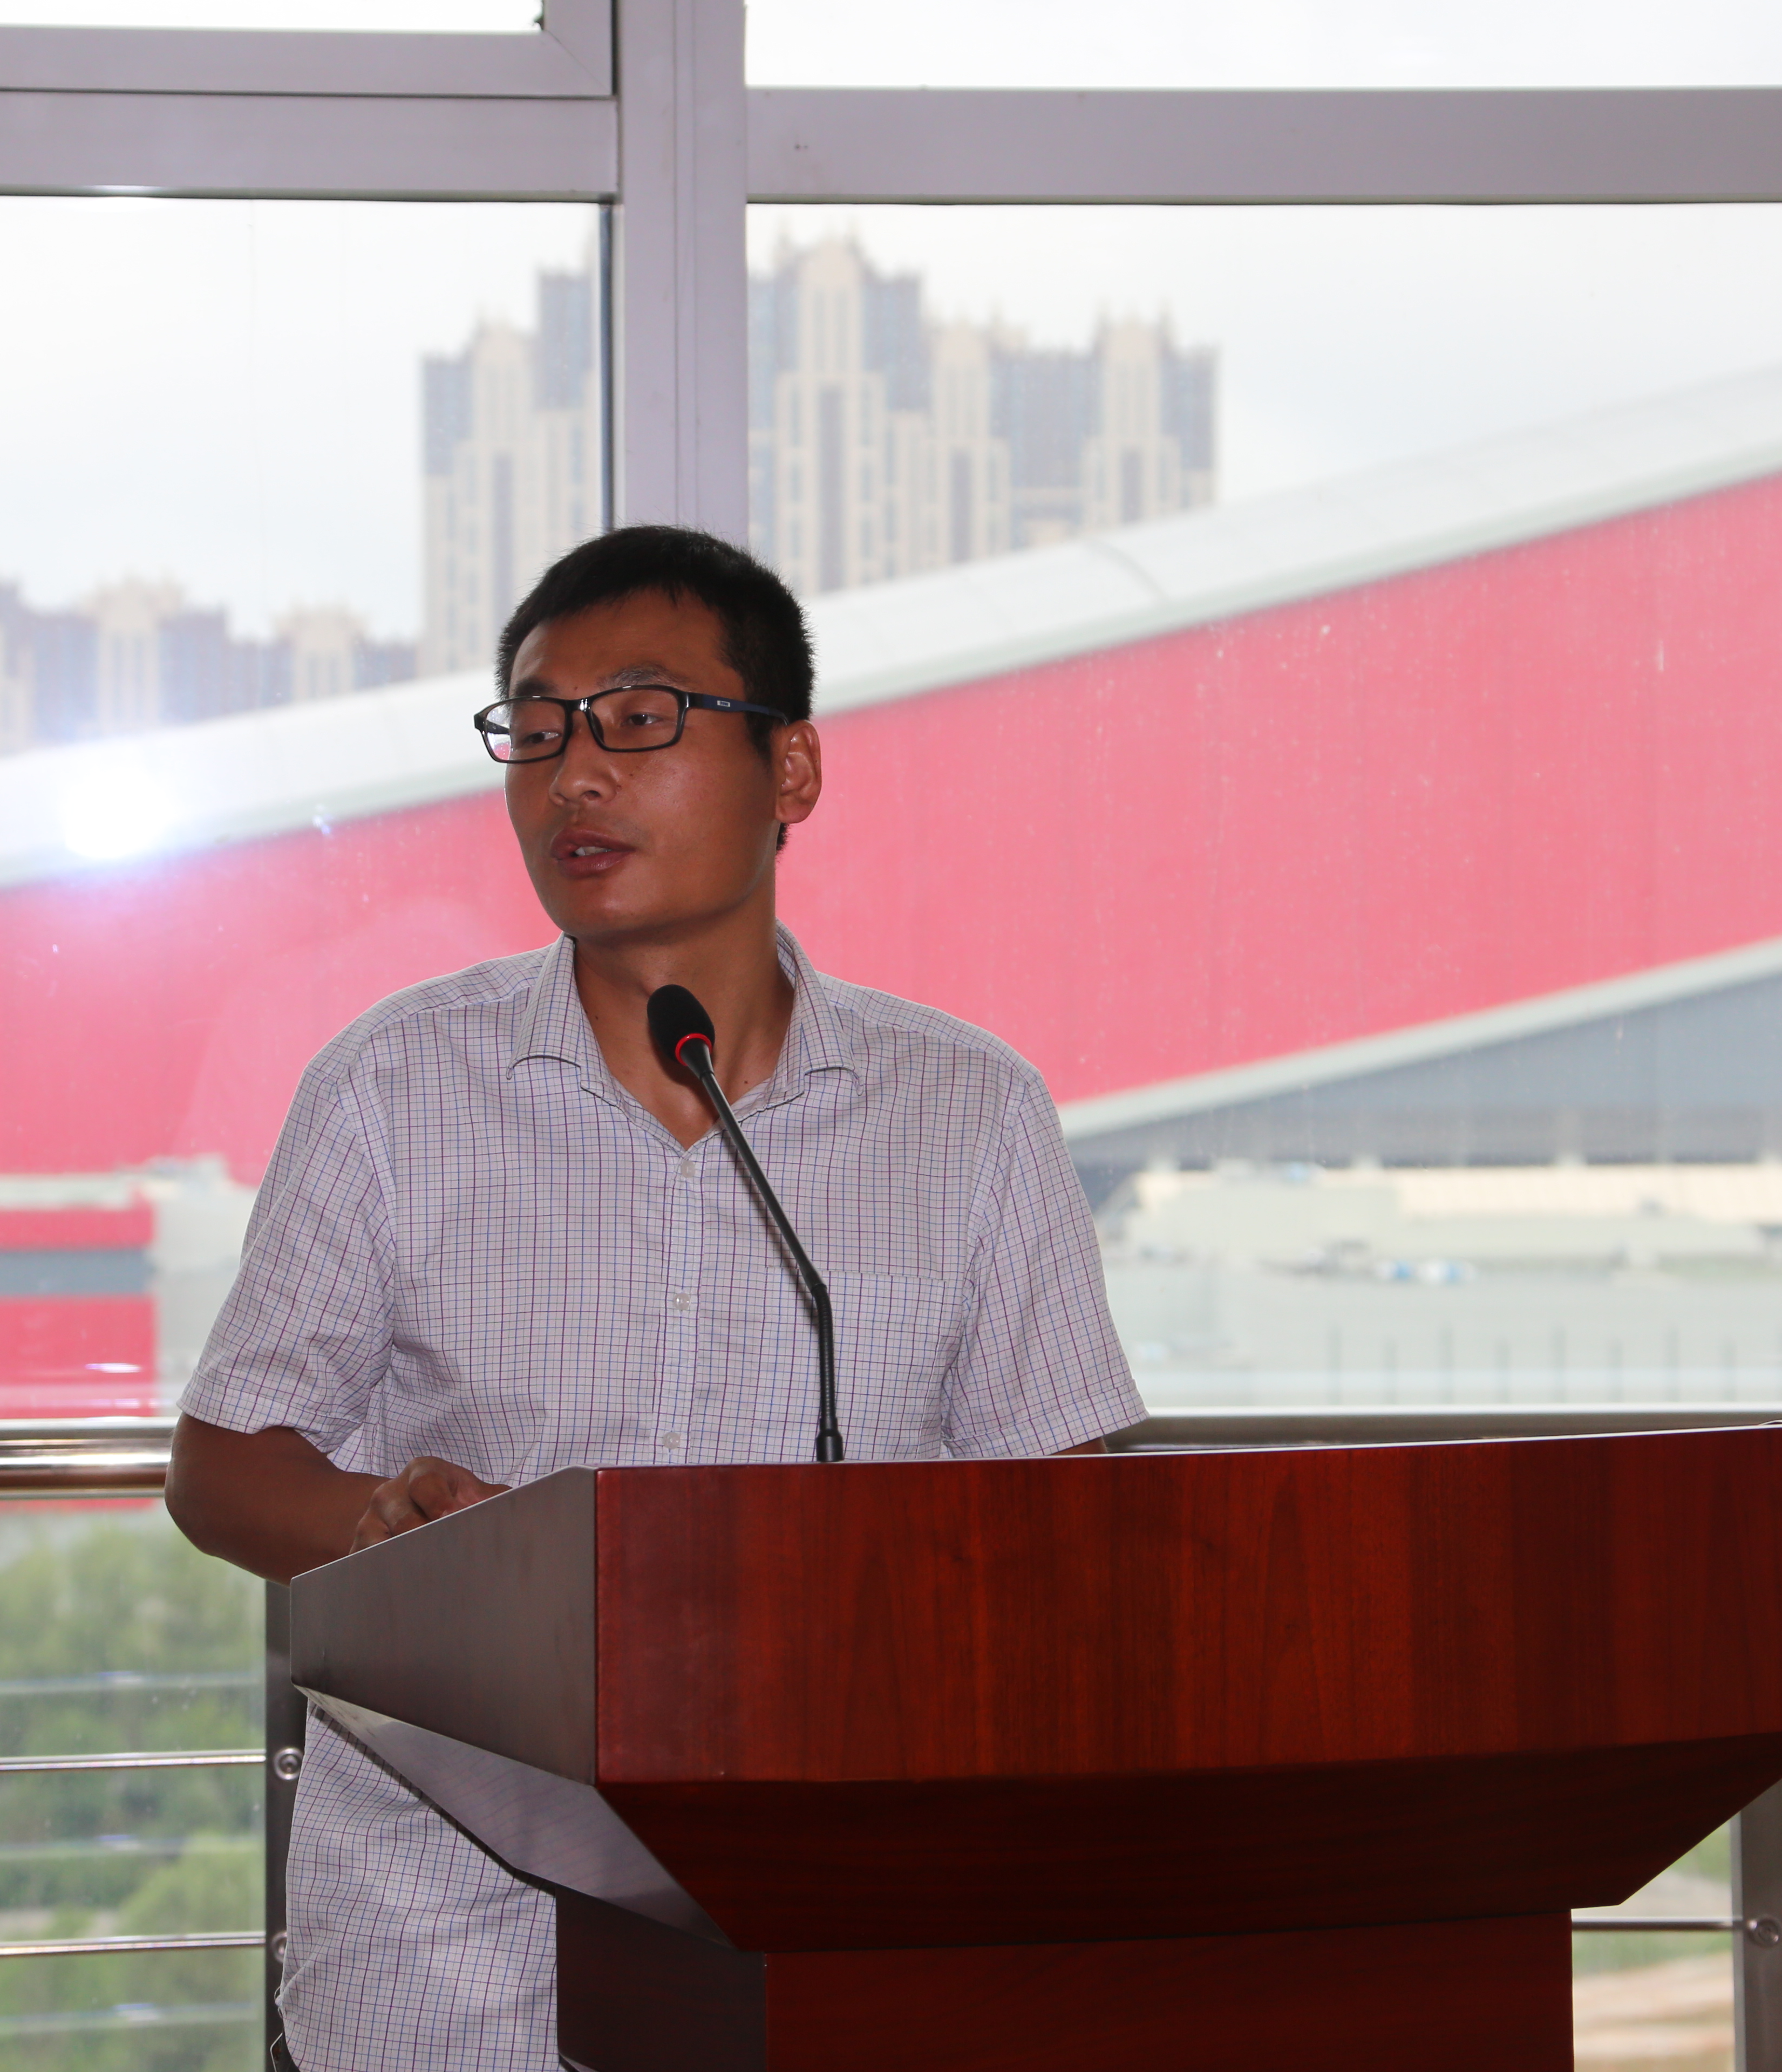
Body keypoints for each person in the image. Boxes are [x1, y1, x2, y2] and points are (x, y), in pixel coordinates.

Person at [164, 524, 1144, 2071]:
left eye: (637, 720)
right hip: (444, 1960)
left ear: (791, 769)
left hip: (830, 1944)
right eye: (536, 731)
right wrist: (377, 1524)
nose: (574, 777)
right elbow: (221, 1468)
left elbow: (1072, 1531)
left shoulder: (966, 1114)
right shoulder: (394, 1088)